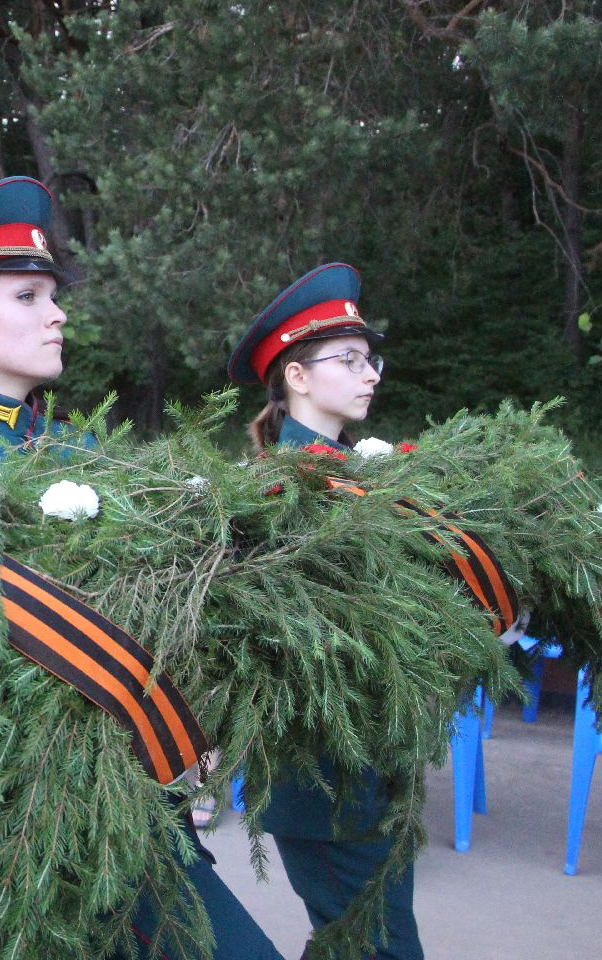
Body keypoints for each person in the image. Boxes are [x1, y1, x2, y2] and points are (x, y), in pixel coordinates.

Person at [0, 176, 282, 960]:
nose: (58, 312)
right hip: (29, 826)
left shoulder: (79, 452)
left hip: (140, 802)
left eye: (51, 295)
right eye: (28, 297)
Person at [225, 263, 421, 960]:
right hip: (324, 778)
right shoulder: (281, 491)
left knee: (356, 941)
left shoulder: (353, 479)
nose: (370, 373)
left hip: (373, 770)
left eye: (372, 359)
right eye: (349, 360)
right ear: (298, 377)